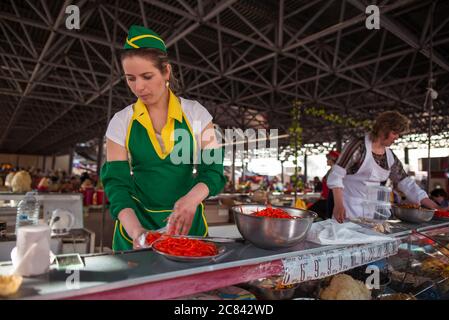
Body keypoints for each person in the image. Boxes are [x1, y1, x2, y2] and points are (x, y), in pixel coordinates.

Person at [101, 26, 225, 251]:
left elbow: (214, 170)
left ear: (166, 71)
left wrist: (192, 200)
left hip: (188, 227)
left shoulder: (197, 114)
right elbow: (117, 185)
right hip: (135, 225)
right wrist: (136, 232)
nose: (139, 87)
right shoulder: (121, 122)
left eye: (147, 76)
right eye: (131, 79)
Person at [327, 111, 441, 223]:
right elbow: (336, 175)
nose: (397, 138)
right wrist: (338, 205)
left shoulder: (389, 156)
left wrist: (434, 206)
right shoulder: (358, 146)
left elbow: (405, 182)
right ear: (384, 129)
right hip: (348, 211)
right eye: (395, 133)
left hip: (375, 215)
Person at [308, 151, 340, 219]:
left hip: (330, 198)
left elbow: (333, 186)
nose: (327, 161)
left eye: (328, 159)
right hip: (327, 198)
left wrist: (324, 196)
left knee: (311, 211)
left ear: (333, 160)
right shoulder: (331, 170)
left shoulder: (335, 170)